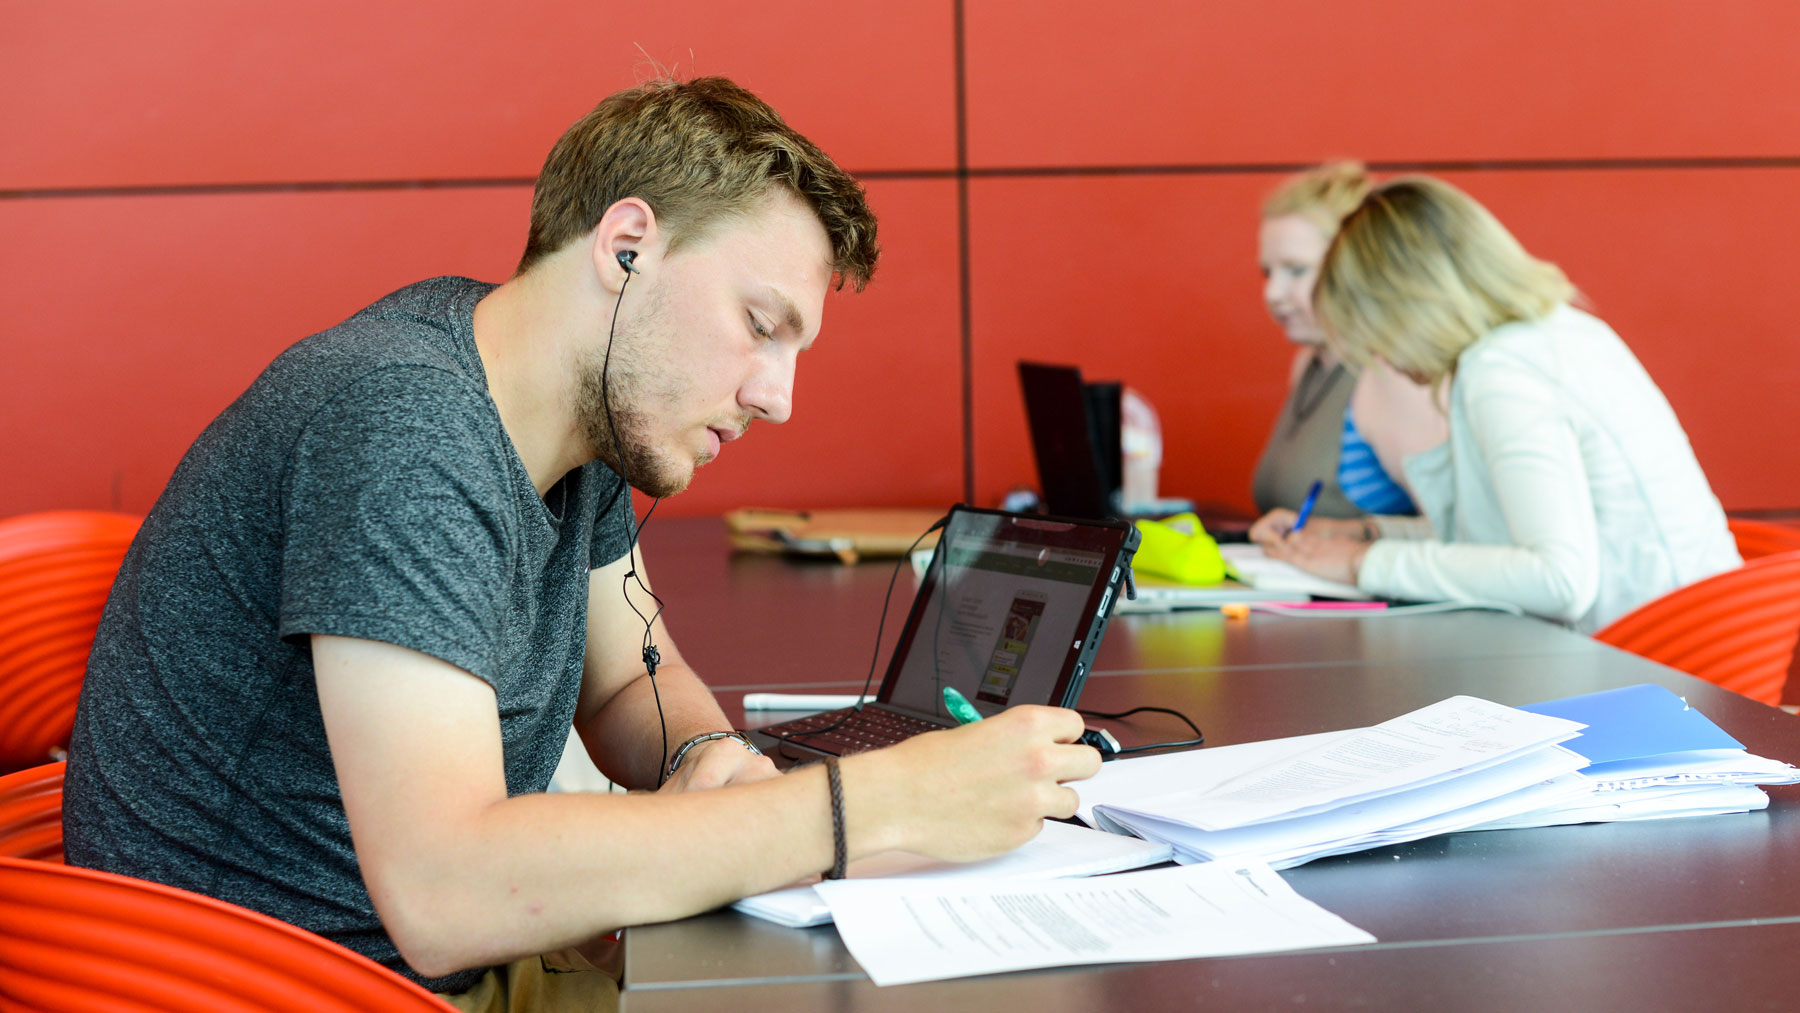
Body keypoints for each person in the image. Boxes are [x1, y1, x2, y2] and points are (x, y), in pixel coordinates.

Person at [62, 77, 1100, 1009]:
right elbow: (444, 886)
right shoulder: (405, 424)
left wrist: (708, 760)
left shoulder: (571, 414)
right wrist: (874, 800)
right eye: (760, 322)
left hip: (425, 964)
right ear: (626, 248)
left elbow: (623, 687)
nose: (775, 397)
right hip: (304, 981)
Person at [1250, 176, 1739, 632]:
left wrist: (1360, 565)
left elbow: (1558, 579)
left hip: (1662, 661)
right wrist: (1363, 536)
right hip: (1689, 639)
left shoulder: (1503, 373)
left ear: (1407, 302)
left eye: (1371, 331)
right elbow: (1494, 541)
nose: (1379, 357)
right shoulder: (1555, 335)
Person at [1251, 162, 1447, 520]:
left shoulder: (1392, 374)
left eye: (1296, 270)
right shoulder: (1308, 364)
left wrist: (1352, 546)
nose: (1273, 293)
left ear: (1352, 264)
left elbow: (1449, 531)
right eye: (1268, 272)